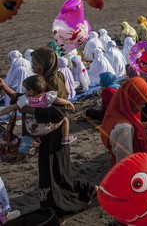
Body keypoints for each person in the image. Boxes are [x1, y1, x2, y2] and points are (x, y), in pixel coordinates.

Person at [25, 48, 96, 219]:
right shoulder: (44, 80)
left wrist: (32, 111)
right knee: (58, 172)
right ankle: (86, 191)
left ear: (46, 63)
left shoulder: (53, 82)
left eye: (36, 64)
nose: (34, 67)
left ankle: (59, 209)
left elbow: (59, 113)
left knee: (54, 174)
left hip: (53, 136)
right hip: (47, 135)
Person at [0, 75, 77, 144]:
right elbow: (58, 100)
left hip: (31, 128)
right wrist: (69, 103)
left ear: (31, 91)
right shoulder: (47, 96)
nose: (24, 91)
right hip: (44, 127)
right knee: (65, 119)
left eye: (25, 89)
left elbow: (12, 107)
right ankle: (65, 138)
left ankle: (34, 141)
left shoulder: (26, 100)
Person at [100, 77, 147, 165]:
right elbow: (126, 163)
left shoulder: (118, 111)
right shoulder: (123, 129)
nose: (143, 106)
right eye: (141, 102)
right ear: (132, 99)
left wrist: (145, 126)